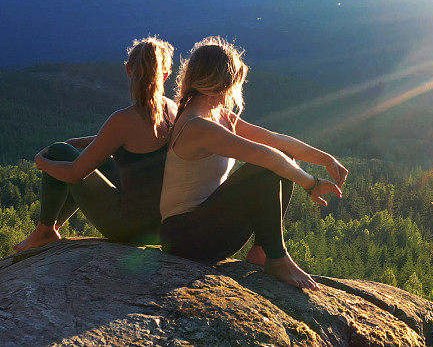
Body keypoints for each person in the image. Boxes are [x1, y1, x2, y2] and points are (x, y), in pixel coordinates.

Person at [159, 36, 347, 291]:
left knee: (283, 160)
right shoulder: (197, 125)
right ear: (224, 82)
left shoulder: (217, 116)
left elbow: (275, 141)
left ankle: (262, 251)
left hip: (203, 228)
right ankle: (276, 258)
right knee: (266, 169)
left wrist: (325, 159)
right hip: (184, 238)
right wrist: (311, 183)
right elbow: (268, 157)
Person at [13, 37, 176, 252]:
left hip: (127, 228)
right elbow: (133, 141)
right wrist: (83, 143)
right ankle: (51, 227)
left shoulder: (123, 119)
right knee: (83, 154)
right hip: (159, 225)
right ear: (166, 74)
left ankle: (44, 231)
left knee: (59, 152)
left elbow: (73, 174)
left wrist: (40, 161)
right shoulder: (174, 110)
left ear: (128, 69)